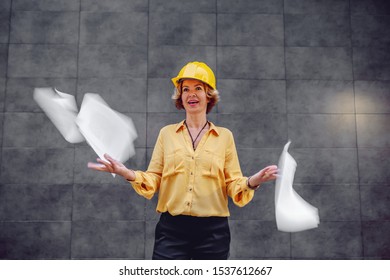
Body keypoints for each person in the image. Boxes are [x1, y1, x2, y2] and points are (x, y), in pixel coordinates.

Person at [88, 61, 278, 260]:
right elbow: (154, 179)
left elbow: (233, 184)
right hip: (172, 231)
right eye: (185, 89)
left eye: (198, 88)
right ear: (180, 96)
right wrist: (126, 173)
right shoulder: (167, 134)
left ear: (209, 95)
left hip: (213, 233)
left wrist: (252, 181)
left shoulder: (225, 137)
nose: (191, 94)